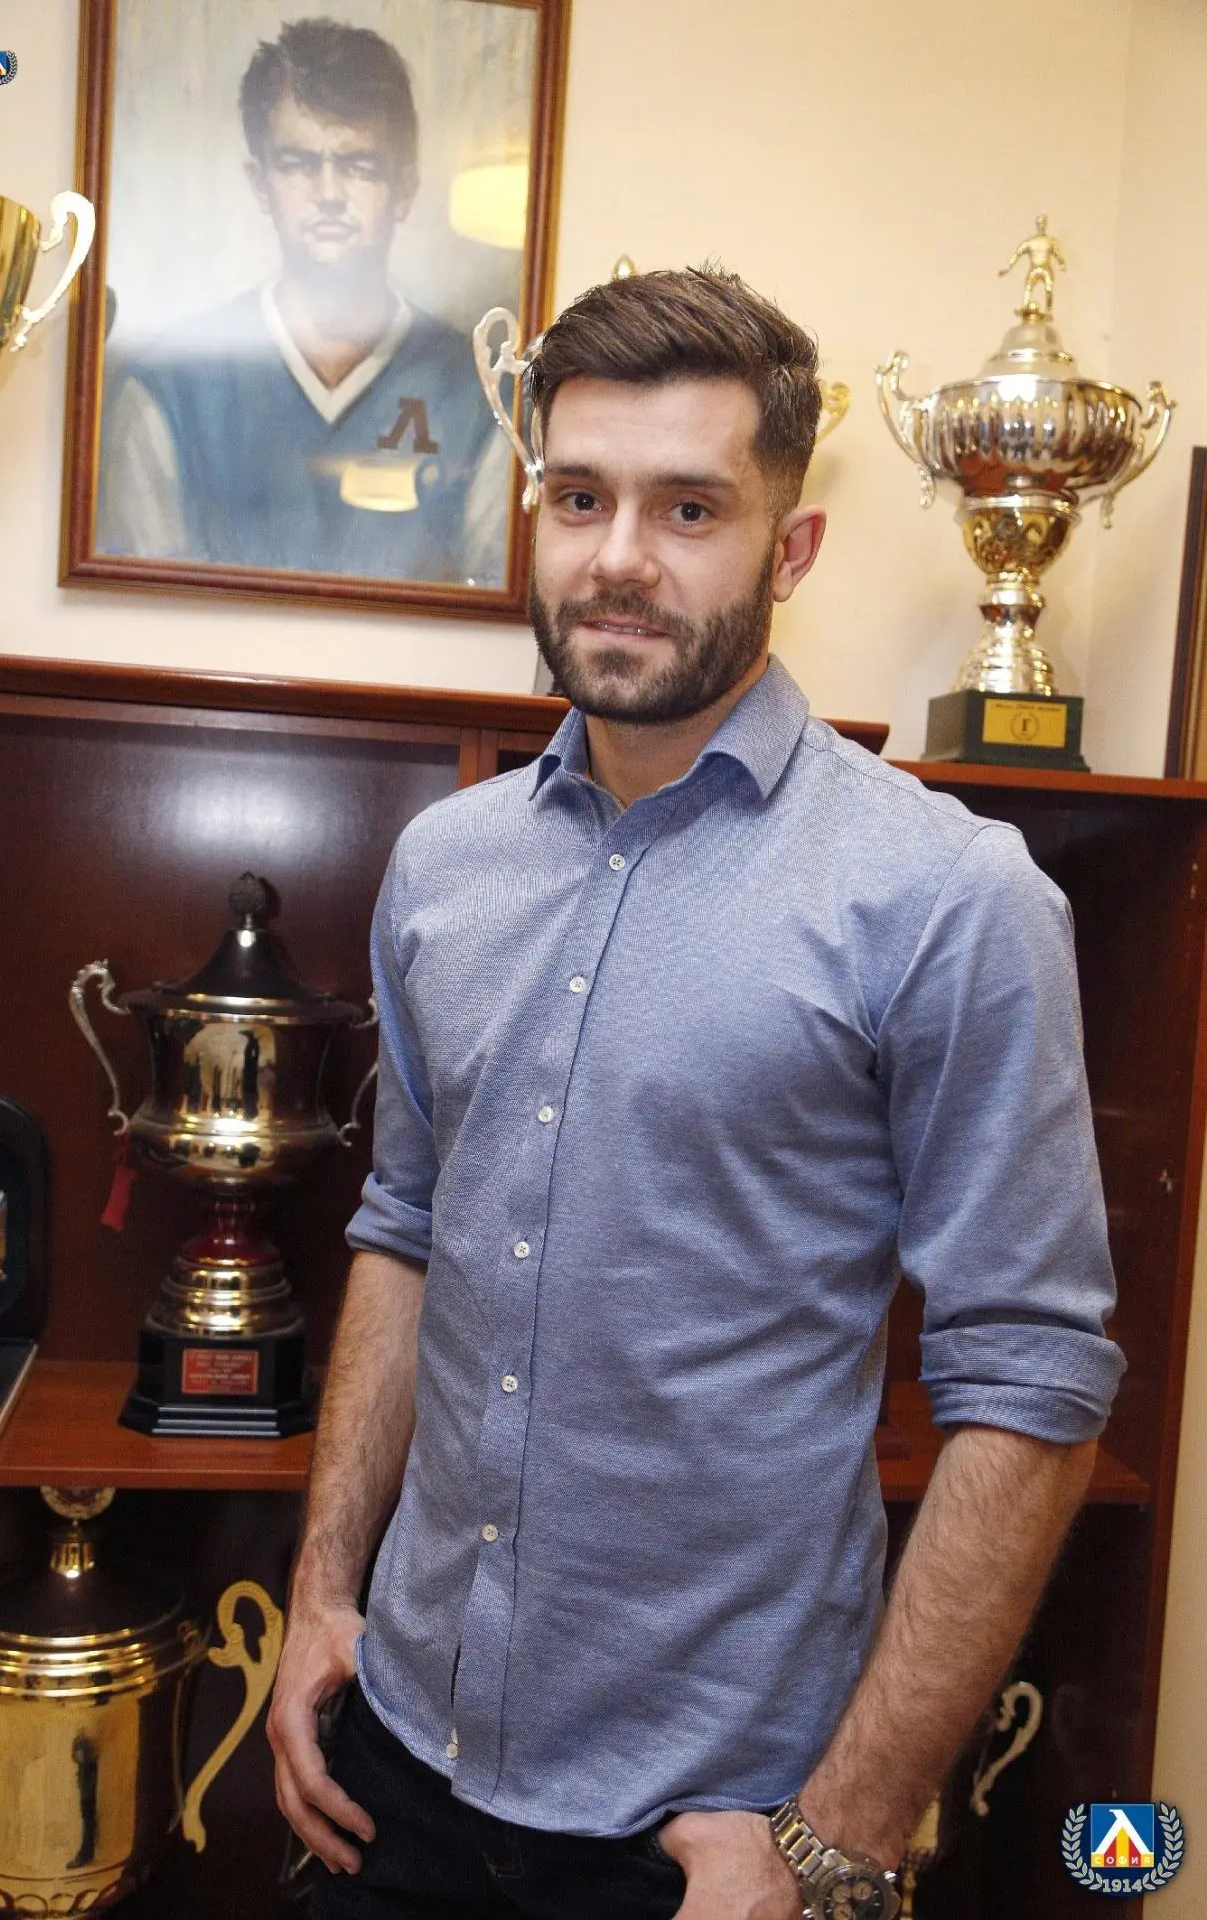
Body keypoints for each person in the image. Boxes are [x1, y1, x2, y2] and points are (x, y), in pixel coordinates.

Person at [266, 267, 1124, 1920]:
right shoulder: (443, 867)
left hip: (710, 1839)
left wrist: (835, 1838)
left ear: (790, 550)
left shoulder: (948, 900)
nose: (619, 559)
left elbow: (1032, 1383)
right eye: (580, 497)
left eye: (690, 509)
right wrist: (319, 1597)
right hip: (397, 1770)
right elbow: (405, 1230)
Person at [98, 19, 509, 585]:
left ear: (405, 190)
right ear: (260, 185)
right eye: (298, 164)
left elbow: (492, 600)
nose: (329, 194)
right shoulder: (167, 386)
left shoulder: (479, 396)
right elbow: (139, 609)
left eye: (359, 166)